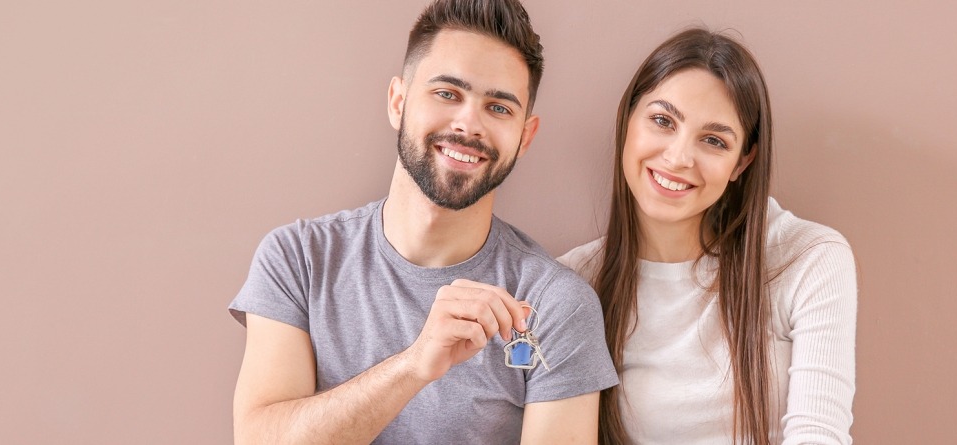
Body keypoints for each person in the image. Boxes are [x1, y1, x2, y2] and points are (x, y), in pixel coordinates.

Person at [228, 1, 618, 443]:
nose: (469, 124)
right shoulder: (299, 258)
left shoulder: (554, 305)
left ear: (525, 137)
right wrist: (414, 365)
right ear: (399, 101)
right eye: (447, 93)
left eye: (499, 108)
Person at [558, 28, 857, 445]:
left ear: (742, 162)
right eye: (663, 121)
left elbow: (819, 435)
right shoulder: (573, 285)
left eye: (714, 141)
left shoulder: (808, 258)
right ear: (628, 118)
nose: (679, 158)